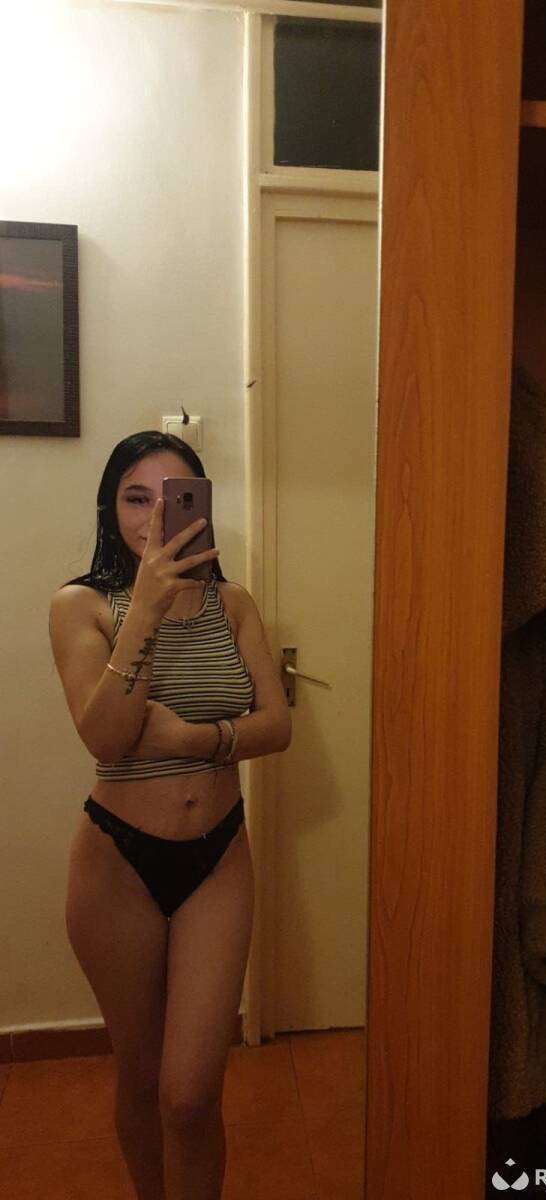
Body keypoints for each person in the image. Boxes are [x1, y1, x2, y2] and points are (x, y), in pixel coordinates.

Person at [48, 431, 291, 1200]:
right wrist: (145, 610)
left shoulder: (234, 603)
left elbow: (276, 726)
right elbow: (106, 737)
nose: (153, 516)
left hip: (218, 859)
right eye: (134, 498)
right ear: (109, 508)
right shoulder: (80, 606)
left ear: (201, 508)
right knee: (142, 1074)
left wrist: (195, 739)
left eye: (173, 498)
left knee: (189, 1095)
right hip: (115, 865)